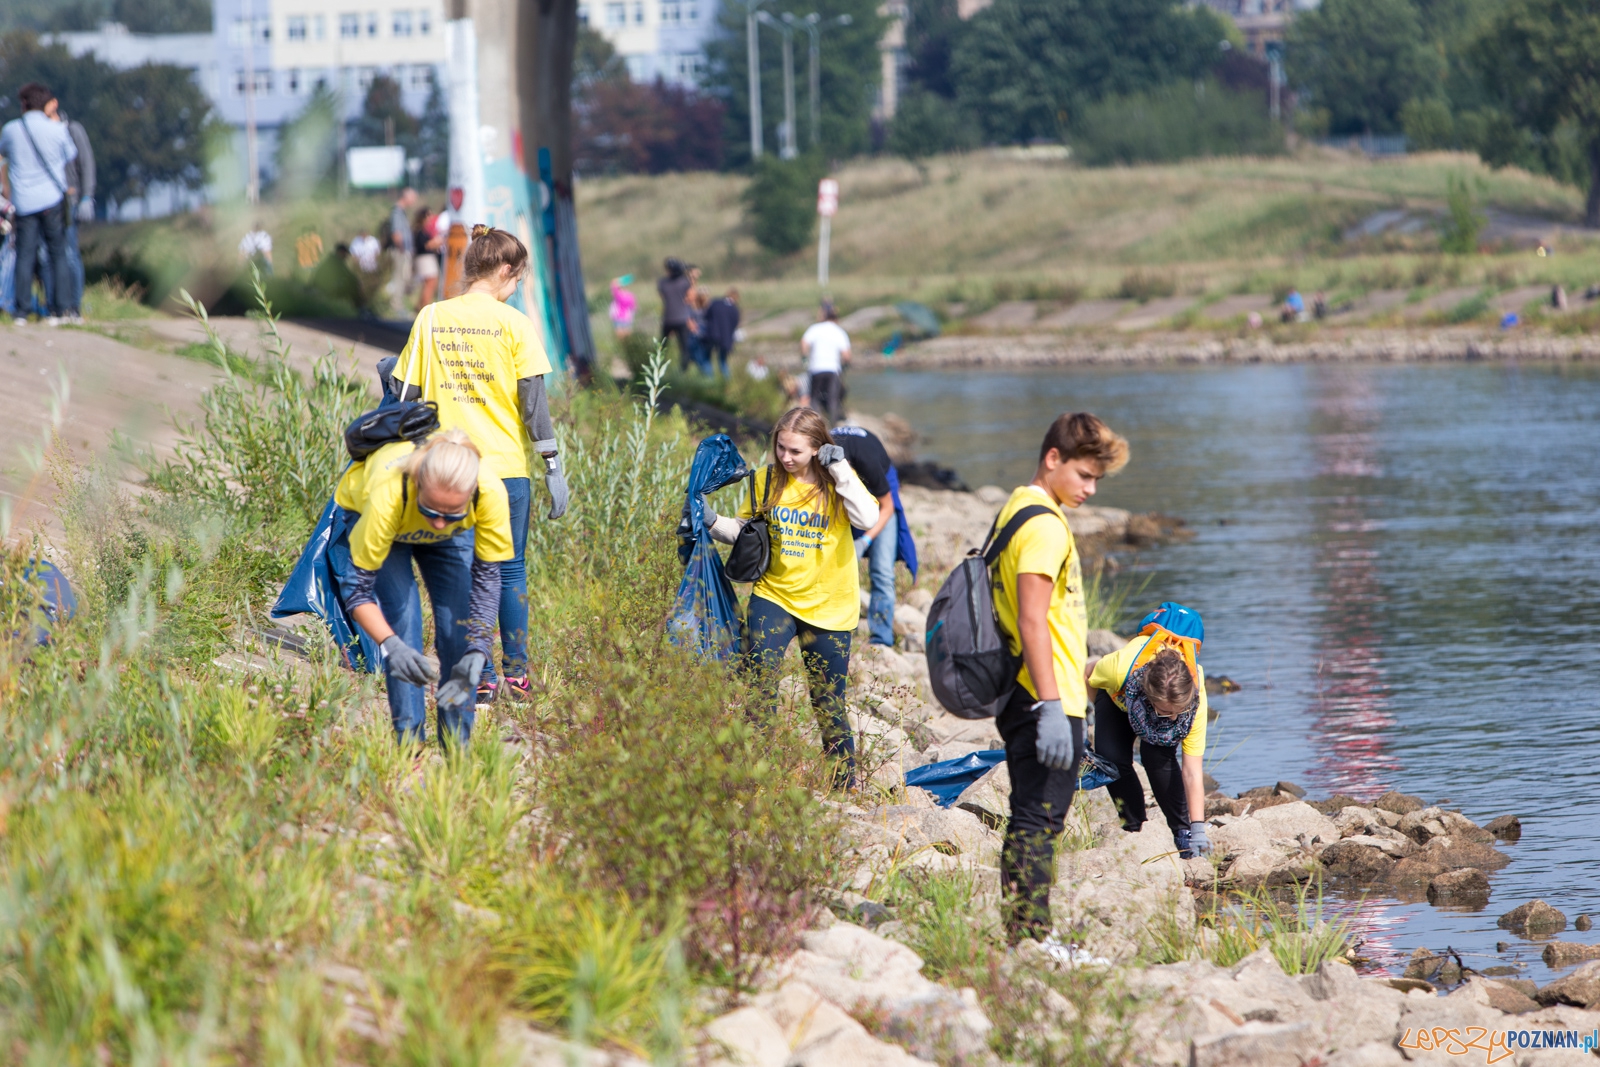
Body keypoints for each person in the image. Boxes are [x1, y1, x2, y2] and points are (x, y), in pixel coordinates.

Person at [395, 225, 567, 704]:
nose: (517, 289)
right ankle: (518, 675)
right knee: (509, 572)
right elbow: (534, 406)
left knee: (462, 572)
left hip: (447, 471)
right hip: (506, 470)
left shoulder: (431, 317)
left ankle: (482, 677)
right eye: (518, 279)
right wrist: (552, 465)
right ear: (506, 270)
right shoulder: (515, 325)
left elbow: (404, 396)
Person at [990, 412, 1128, 954]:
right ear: (1053, 459)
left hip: (1030, 692)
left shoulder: (1018, 506)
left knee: (1032, 816)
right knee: (1040, 820)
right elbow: (1032, 619)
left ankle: (1023, 936)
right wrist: (1051, 704)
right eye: (1084, 475)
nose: (1091, 489)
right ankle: (1032, 941)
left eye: (1097, 479)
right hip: (1043, 696)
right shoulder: (1045, 525)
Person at [701, 407, 879, 785]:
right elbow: (744, 531)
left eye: (795, 451)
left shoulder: (837, 482)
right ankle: (755, 776)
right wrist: (712, 521)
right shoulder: (765, 480)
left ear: (817, 448)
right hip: (774, 595)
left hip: (829, 607)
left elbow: (867, 519)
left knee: (828, 702)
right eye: (780, 447)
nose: (785, 457)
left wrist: (841, 469)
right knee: (758, 684)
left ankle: (844, 786)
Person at [335, 428, 512, 748]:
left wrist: (478, 651)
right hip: (390, 521)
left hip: (447, 534)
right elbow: (357, 590)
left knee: (460, 635)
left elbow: (487, 582)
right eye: (432, 511)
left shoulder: (489, 492)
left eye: (451, 513)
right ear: (419, 483)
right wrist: (391, 645)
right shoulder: (388, 494)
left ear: (470, 493)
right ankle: (410, 748)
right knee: (404, 625)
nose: (439, 523)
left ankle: (456, 751)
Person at [1086, 625, 1212, 860]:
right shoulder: (1119, 669)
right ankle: (1135, 829)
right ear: (1149, 696)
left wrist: (1198, 829)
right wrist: (1094, 717)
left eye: (1179, 711)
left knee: (1157, 757)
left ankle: (1182, 834)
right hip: (1118, 698)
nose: (1173, 719)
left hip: (1158, 703)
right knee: (1111, 757)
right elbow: (1087, 672)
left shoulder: (1195, 697)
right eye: (1166, 712)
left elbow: (1192, 771)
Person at [0, 82, 78, 326]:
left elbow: (3, 154)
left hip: (24, 201)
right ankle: (61, 309)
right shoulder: (57, 129)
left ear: (24, 104)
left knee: (24, 255)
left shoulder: (11, 129)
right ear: (46, 105)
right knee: (57, 254)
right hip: (51, 199)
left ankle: (21, 311)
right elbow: (70, 154)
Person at [829, 424, 898, 648]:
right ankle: (833, 629)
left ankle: (881, 639)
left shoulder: (867, 461)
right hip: (839, 494)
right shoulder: (822, 460)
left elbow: (887, 507)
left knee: (882, 570)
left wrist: (864, 541)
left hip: (881, 495)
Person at [58, 102, 92, 314]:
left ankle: (74, 305)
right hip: (50, 202)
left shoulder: (73, 130)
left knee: (70, 252)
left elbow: (87, 163)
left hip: (72, 201)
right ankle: (57, 304)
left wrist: (87, 195)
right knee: (51, 255)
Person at [801, 303, 850, 424]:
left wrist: (805, 358)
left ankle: (816, 425)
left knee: (814, 399)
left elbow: (804, 342)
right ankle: (833, 425)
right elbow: (847, 355)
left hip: (816, 368)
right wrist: (845, 366)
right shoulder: (839, 331)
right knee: (833, 399)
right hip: (833, 369)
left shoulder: (815, 328)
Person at [385, 187, 419, 309]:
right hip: (400, 251)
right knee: (399, 278)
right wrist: (402, 249)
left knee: (404, 278)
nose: (414, 201)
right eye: (413, 198)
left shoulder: (401, 212)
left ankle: (398, 303)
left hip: (403, 250)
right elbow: (396, 234)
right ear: (406, 197)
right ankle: (396, 305)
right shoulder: (397, 212)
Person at [657, 257, 692, 369]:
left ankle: (658, 368)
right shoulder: (685, 282)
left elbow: (663, 296)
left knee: (662, 346)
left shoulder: (663, 283)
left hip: (668, 318)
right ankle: (683, 370)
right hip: (682, 319)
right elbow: (690, 298)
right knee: (684, 347)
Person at [705, 287, 741, 379]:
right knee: (723, 361)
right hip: (726, 339)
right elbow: (735, 325)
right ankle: (727, 380)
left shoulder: (716, 303)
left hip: (712, 335)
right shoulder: (735, 310)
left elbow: (706, 316)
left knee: (707, 358)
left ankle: (710, 380)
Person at [412, 206, 442, 308]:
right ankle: (424, 305)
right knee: (430, 282)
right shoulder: (419, 231)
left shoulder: (424, 230)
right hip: (425, 259)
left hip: (426, 258)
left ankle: (421, 305)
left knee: (430, 283)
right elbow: (424, 245)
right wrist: (436, 242)